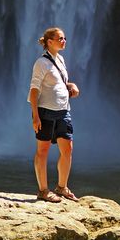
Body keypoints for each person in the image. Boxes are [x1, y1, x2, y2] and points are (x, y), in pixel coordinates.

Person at [28, 27, 80, 202]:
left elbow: (57, 84)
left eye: (65, 38)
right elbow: (34, 90)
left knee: (68, 149)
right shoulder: (41, 63)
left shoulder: (61, 60)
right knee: (43, 151)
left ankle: (62, 187)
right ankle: (43, 190)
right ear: (49, 42)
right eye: (60, 38)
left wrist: (70, 86)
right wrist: (35, 116)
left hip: (63, 111)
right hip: (45, 112)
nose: (64, 41)